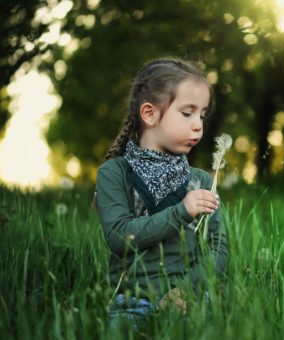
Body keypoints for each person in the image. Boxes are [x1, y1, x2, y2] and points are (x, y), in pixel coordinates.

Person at [93, 58, 228, 330]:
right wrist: (182, 211)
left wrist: (186, 290)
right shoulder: (114, 173)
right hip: (132, 299)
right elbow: (120, 237)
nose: (199, 125)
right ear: (150, 114)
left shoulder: (201, 180)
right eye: (187, 113)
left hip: (190, 296)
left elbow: (217, 247)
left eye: (202, 115)